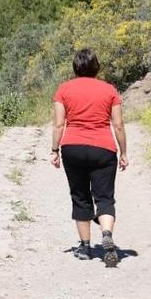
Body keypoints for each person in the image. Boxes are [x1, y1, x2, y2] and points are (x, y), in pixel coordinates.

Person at [50, 48, 128, 267]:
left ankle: (85, 247)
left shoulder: (64, 90)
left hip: (73, 147)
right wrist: (124, 153)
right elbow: (118, 125)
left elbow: (58, 124)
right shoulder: (109, 90)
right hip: (103, 149)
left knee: (80, 196)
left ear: (75, 67)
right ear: (97, 67)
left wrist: (55, 150)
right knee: (104, 198)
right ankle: (106, 234)